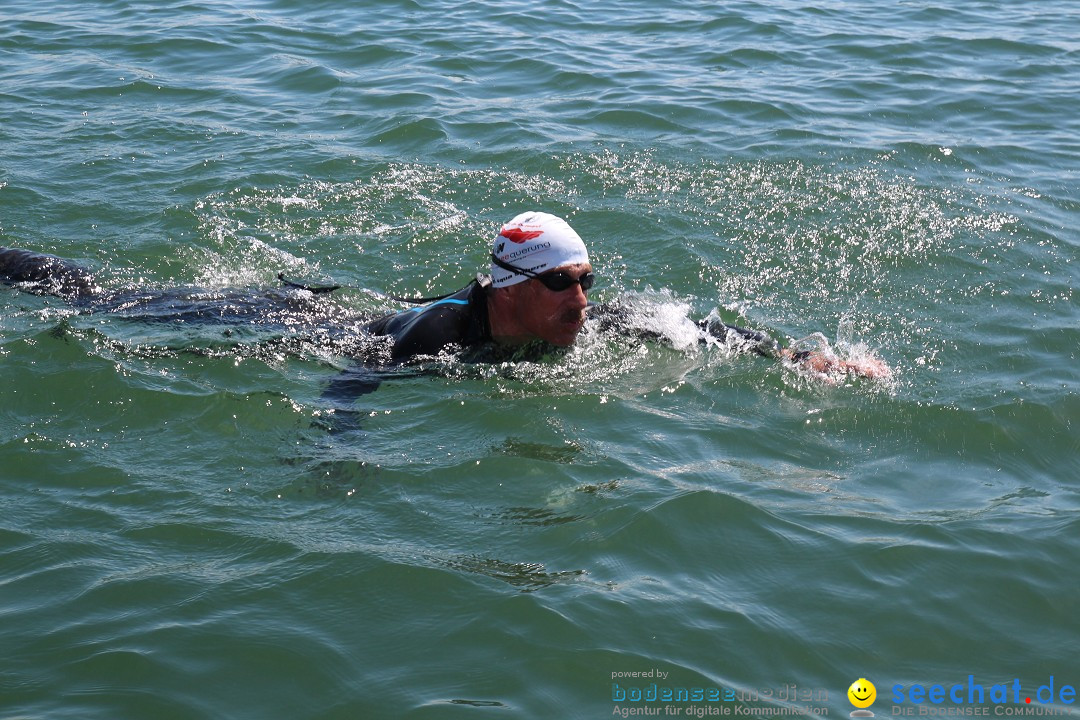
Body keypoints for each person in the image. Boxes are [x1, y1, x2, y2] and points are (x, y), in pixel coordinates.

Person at [0, 211, 888, 378]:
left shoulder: (588, 321)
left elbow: (701, 330)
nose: (582, 301)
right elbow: (355, 378)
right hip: (324, 327)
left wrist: (801, 353)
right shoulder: (439, 340)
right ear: (507, 291)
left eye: (586, 281)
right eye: (560, 284)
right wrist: (333, 447)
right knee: (103, 300)